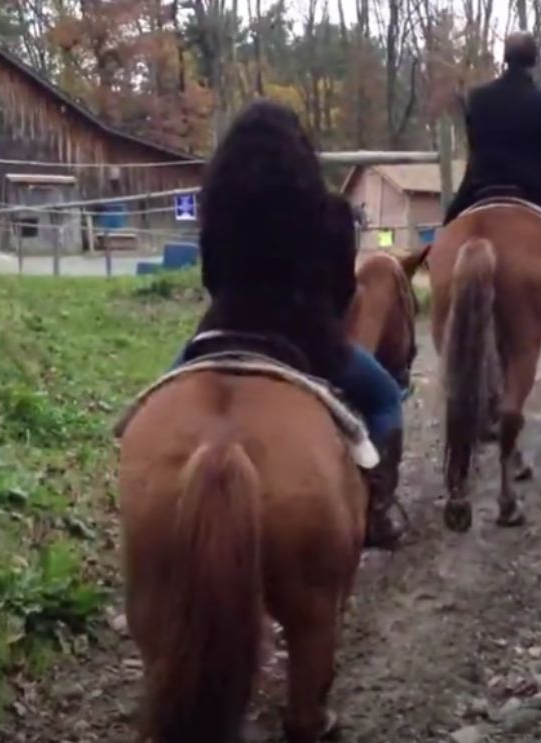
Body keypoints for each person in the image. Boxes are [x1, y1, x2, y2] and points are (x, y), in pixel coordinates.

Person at [169, 100, 407, 550]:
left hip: (218, 334)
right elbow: (341, 293)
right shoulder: (332, 213)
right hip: (308, 340)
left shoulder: (217, 207)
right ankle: (377, 509)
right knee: (384, 399)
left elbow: (211, 278)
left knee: (150, 409)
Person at [443, 32, 541, 340]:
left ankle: (438, 288)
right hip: (535, 187)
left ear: (505, 58)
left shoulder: (478, 99)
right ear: (535, 60)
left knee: (447, 228)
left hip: (481, 183)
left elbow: (476, 149)